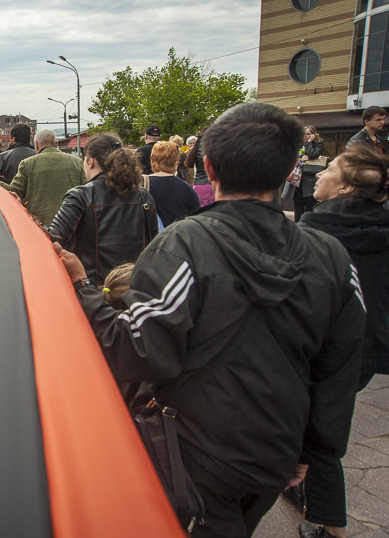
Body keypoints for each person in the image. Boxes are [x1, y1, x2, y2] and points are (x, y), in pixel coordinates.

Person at [56, 102, 365, 538]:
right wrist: (313, 448)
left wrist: (83, 288)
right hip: (278, 447)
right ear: (290, 169)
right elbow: (341, 365)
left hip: (196, 451)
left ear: (208, 166)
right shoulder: (331, 257)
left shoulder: (184, 245)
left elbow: (138, 351)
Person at [296, 146, 389, 538]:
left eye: (330, 169)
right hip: (371, 348)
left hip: (323, 348)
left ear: (348, 188)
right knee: (325, 420)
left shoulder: (315, 232)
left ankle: (331, 527)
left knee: (318, 430)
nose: (319, 173)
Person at [47, 133, 158, 286]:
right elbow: (153, 242)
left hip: (92, 288)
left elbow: (54, 238)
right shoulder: (143, 196)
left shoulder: (80, 195)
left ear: (90, 161)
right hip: (134, 285)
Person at [0, 128, 87, 226]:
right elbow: (86, 192)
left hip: (39, 225)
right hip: (71, 224)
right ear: (56, 143)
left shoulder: (28, 164)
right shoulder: (76, 162)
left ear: (36, 144)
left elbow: (13, 191)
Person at [146, 140, 200, 227]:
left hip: (151, 238)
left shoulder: (142, 185)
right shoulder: (187, 189)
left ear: (152, 159)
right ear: (176, 163)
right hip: (178, 236)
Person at [290, 125, 328, 222]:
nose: (305, 136)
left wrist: (309, 143)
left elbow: (313, 154)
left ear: (313, 135)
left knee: (309, 205)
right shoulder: (297, 144)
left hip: (310, 179)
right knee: (298, 204)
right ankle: (298, 224)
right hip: (298, 178)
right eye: (304, 134)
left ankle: (308, 224)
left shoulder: (318, 144)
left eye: (308, 134)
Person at [185, 128, 214, 206]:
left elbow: (189, 163)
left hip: (197, 185)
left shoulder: (195, 148)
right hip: (212, 185)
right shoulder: (213, 147)